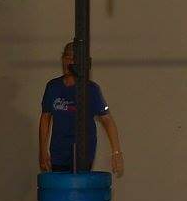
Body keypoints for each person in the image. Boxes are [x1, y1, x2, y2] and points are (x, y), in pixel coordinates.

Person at [38, 41, 124, 176]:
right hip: (59, 150)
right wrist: (43, 150)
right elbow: (45, 118)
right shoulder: (53, 87)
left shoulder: (91, 89)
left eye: (73, 58)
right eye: (66, 57)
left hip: (84, 151)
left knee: (80, 183)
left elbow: (107, 119)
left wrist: (116, 152)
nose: (69, 62)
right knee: (60, 185)